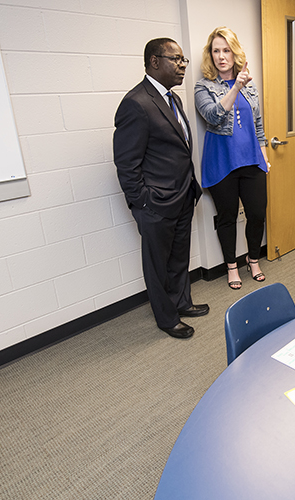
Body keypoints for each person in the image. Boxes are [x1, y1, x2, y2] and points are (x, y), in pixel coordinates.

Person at [113, 38, 209, 339]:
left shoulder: (173, 98)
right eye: (176, 59)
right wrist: (143, 203)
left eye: (184, 60)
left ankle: (182, 302)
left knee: (180, 257)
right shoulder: (136, 103)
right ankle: (167, 319)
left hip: (182, 195)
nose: (182, 65)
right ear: (155, 61)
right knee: (157, 264)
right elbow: (126, 163)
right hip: (155, 203)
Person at [194, 27, 270, 290]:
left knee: (257, 214)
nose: (221, 56)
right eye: (216, 51)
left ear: (234, 52)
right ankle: (231, 266)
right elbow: (213, 116)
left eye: (226, 50)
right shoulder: (203, 87)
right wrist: (236, 87)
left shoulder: (251, 87)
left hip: (252, 161)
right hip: (222, 164)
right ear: (210, 55)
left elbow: (258, 127)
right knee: (226, 218)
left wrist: (265, 157)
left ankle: (253, 259)